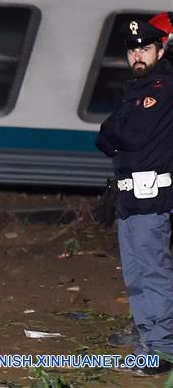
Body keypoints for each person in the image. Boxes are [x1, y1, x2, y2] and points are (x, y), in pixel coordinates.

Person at [96, 19, 173, 375]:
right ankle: (148, 343)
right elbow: (109, 134)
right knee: (137, 275)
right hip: (130, 198)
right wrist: (113, 131)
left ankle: (162, 352)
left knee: (152, 272)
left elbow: (126, 134)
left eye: (145, 48)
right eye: (132, 49)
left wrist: (113, 131)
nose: (137, 55)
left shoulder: (161, 86)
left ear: (161, 50)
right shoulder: (138, 88)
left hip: (150, 196)